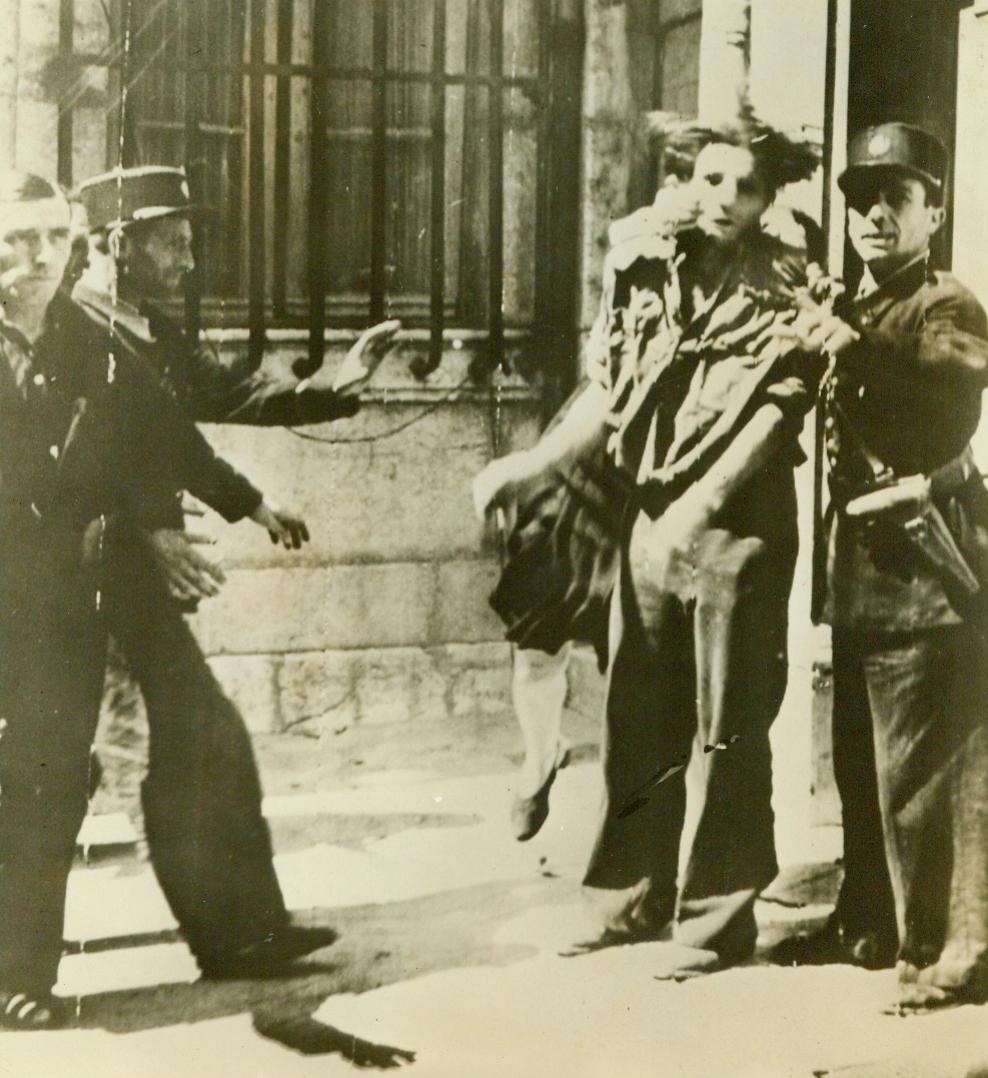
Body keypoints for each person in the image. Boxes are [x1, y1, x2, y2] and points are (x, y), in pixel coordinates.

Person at [478, 109, 822, 972]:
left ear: (767, 197)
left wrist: (700, 508)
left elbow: (778, 415)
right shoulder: (643, 269)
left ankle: (716, 920)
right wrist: (534, 464)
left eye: (746, 187)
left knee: (727, 723)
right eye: (711, 180)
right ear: (685, 179)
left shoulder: (790, 282)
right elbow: (609, 389)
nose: (726, 200)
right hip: (650, 513)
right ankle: (625, 900)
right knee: (637, 709)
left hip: (735, 527)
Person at [71, 165, 397, 979]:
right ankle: (234, 936)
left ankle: (246, 933)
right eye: (171, 243)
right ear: (118, 245)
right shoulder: (74, 331)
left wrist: (330, 387)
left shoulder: (141, 328)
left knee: (197, 738)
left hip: (134, 574)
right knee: (153, 746)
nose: (186, 260)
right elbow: (68, 467)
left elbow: (215, 402)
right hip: (85, 576)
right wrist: (146, 532)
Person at [0, 169, 301, 1027]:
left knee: (46, 779)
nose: (36, 257)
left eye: (53, 238)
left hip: (59, 595)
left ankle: (17, 975)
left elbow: (159, 430)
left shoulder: (82, 338)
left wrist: (249, 502)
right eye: (16, 237)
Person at [773, 122, 988, 1011]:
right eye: (859, 199)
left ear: (931, 212)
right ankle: (864, 921)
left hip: (924, 573)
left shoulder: (949, 303)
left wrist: (848, 343)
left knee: (921, 776)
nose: (871, 215)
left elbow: (948, 373)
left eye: (894, 199)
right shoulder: (852, 305)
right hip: (859, 572)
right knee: (860, 766)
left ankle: (943, 953)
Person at [473, 392, 624, 842]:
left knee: (639, 654)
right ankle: (540, 760)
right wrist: (532, 465)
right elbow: (606, 381)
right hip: (578, 468)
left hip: (654, 483)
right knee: (538, 640)